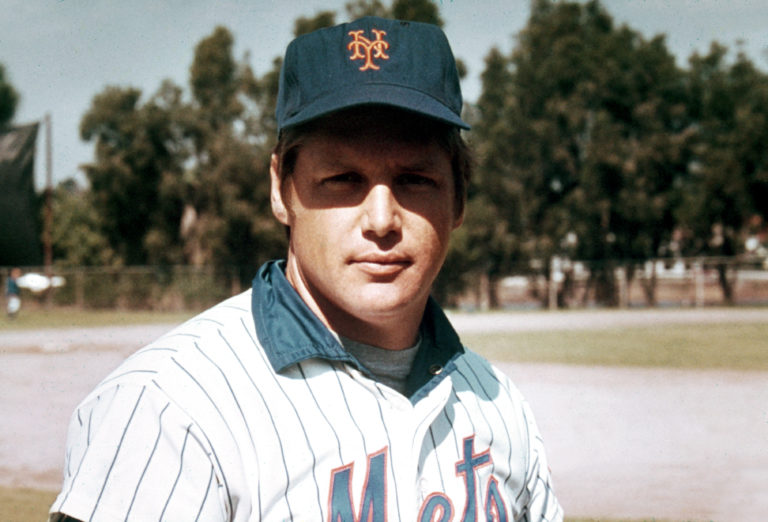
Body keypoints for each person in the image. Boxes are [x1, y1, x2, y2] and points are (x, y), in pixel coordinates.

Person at [50, 17, 562, 521]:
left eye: (415, 179)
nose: (382, 220)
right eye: (342, 179)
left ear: (459, 198)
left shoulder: (496, 401)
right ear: (281, 188)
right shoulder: (171, 408)